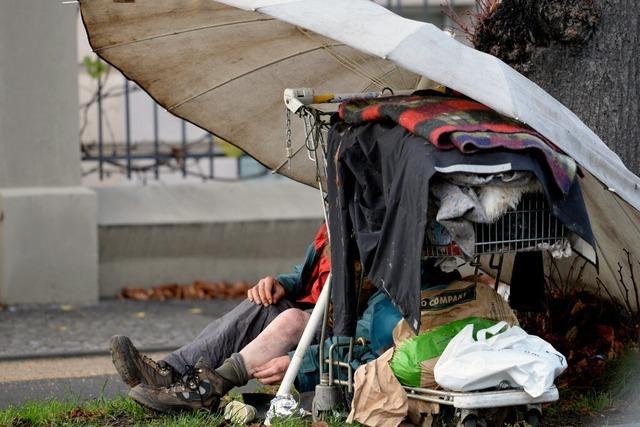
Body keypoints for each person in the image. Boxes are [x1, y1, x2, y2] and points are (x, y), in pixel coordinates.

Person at [110, 223, 330, 412]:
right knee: (263, 304)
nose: (337, 181)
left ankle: (200, 392)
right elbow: (311, 273)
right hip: (312, 312)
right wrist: (283, 283)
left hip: (335, 340)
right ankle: (170, 374)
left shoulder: (363, 234)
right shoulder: (337, 220)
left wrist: (303, 363)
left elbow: (363, 339)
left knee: (291, 319)